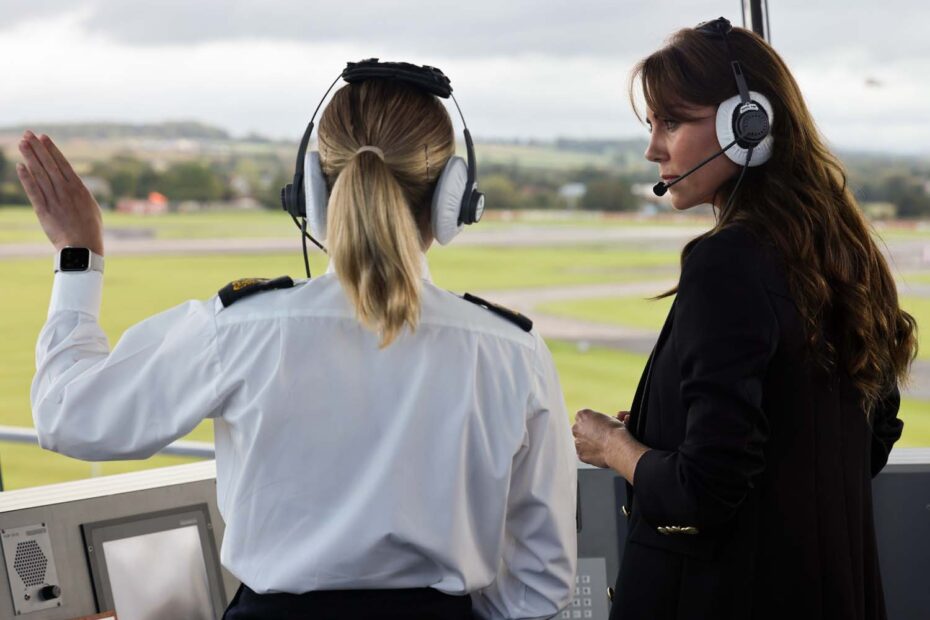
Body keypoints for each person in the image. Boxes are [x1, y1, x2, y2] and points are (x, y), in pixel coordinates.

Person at [17, 66, 577, 620]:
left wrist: (78, 253)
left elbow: (68, 414)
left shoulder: (240, 329)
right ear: (453, 198)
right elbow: (539, 585)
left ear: (312, 188)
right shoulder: (514, 354)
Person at [571, 18, 916, 620]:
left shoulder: (726, 260)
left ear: (747, 124)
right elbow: (868, 438)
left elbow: (705, 491)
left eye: (671, 123)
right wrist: (668, 433)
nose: (653, 148)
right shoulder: (845, 252)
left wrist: (616, 446)